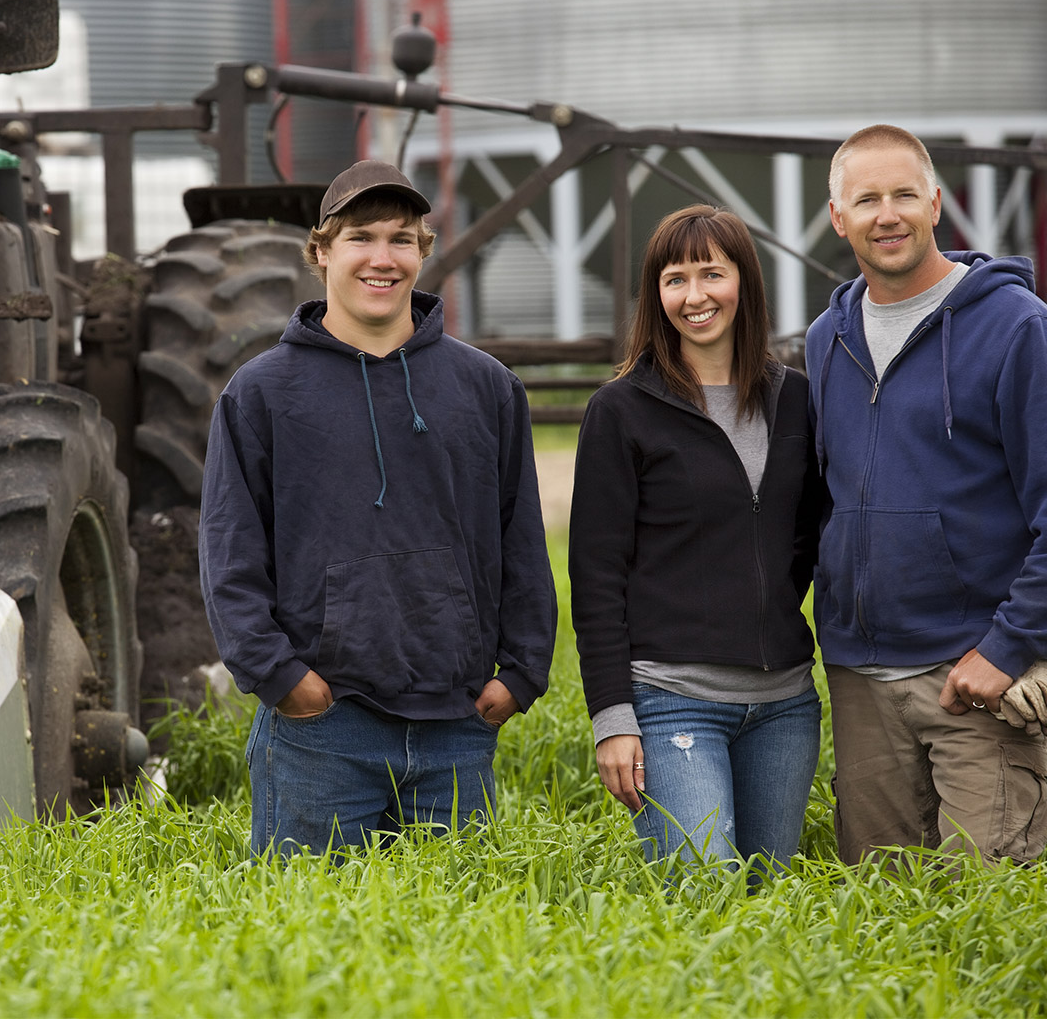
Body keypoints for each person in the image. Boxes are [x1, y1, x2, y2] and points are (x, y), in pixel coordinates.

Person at [199, 160, 557, 859]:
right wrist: (282, 679)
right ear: (321, 250)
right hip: (321, 730)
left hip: (457, 723)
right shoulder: (262, 394)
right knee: (309, 948)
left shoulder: (486, 388)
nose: (382, 258)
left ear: (423, 252)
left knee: (461, 950)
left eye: (402, 239)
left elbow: (522, 542)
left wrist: (520, 675)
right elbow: (228, 550)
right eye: (361, 237)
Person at [806, 124, 1047, 864]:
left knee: (987, 909)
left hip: (973, 678)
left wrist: (1009, 648)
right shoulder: (826, 339)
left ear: (936, 202)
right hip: (859, 679)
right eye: (867, 199)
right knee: (880, 912)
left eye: (904, 194)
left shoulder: (1017, 329)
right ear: (838, 217)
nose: (889, 214)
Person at [569, 205, 822, 872]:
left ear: (745, 283)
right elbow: (595, 576)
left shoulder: (795, 398)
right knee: (702, 894)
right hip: (672, 696)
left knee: (770, 899)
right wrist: (612, 718)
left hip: (784, 705)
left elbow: (807, 538)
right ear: (656, 294)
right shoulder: (621, 410)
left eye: (713, 273)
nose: (695, 295)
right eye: (675, 279)